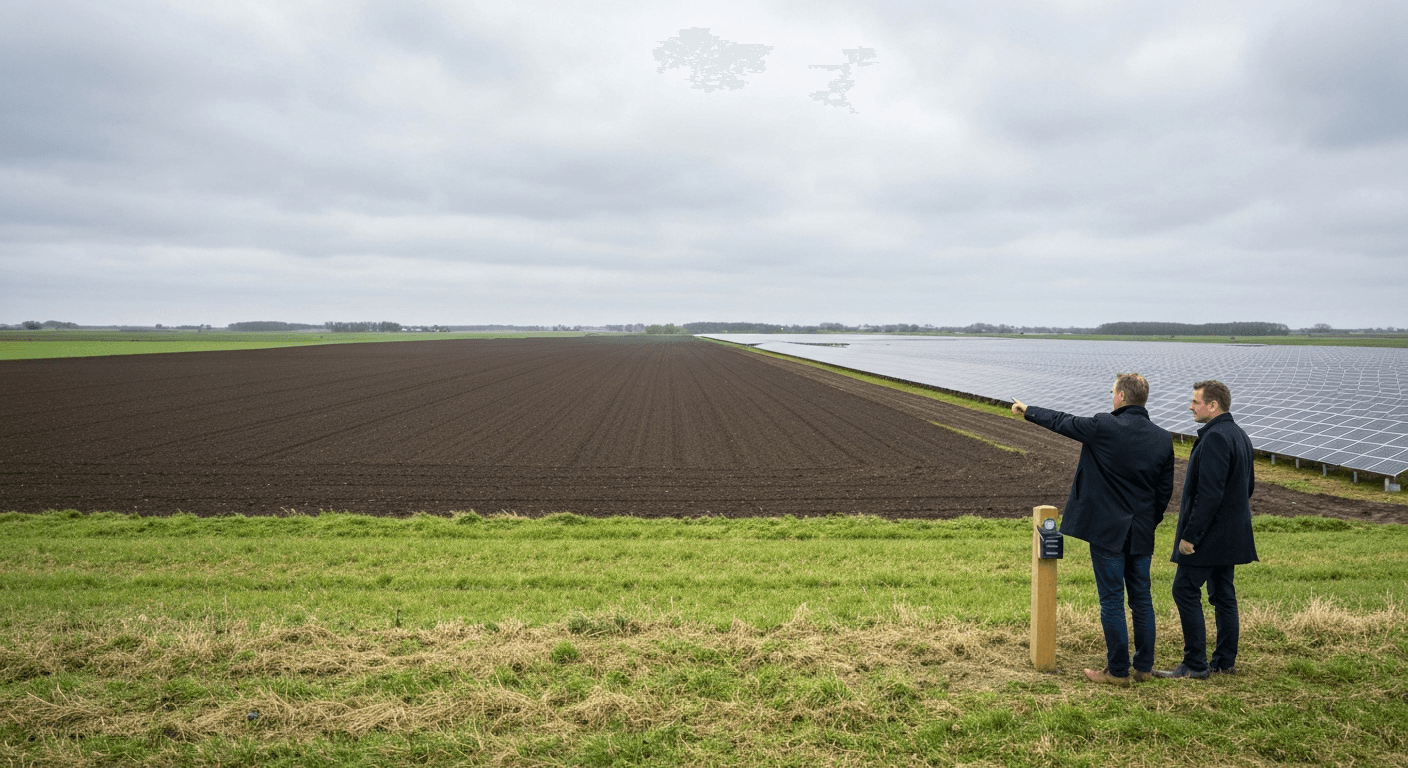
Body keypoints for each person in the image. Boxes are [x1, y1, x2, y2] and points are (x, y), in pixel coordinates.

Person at [1011, 373, 1174, 685]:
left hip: (1107, 532)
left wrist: (1028, 410)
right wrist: (1148, 521)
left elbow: (1065, 422)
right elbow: (1163, 492)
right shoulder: (1162, 437)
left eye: (1113, 392)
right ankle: (1143, 667)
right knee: (1141, 599)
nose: (1111, 396)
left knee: (1112, 599)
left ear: (1122, 397)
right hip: (1141, 531)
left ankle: (1117, 671)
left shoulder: (1105, 425)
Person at [1156, 380, 1257, 679]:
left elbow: (1209, 493)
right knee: (1223, 594)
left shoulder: (1214, 438)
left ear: (1213, 405)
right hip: (1230, 535)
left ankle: (1195, 664)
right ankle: (1225, 662)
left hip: (1208, 537)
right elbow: (1246, 488)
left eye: (1195, 401)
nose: (1190, 406)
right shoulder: (1240, 435)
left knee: (1184, 590)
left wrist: (1190, 535)